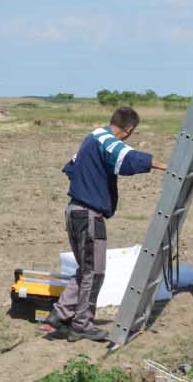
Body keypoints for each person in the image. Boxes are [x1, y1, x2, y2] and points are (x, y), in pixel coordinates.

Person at [47, 106, 167, 342]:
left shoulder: (90, 139)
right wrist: (161, 165)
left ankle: (59, 316)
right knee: (95, 272)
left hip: (74, 211)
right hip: (89, 215)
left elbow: (70, 167)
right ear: (128, 130)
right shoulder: (106, 140)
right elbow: (127, 157)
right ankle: (82, 323)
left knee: (85, 268)